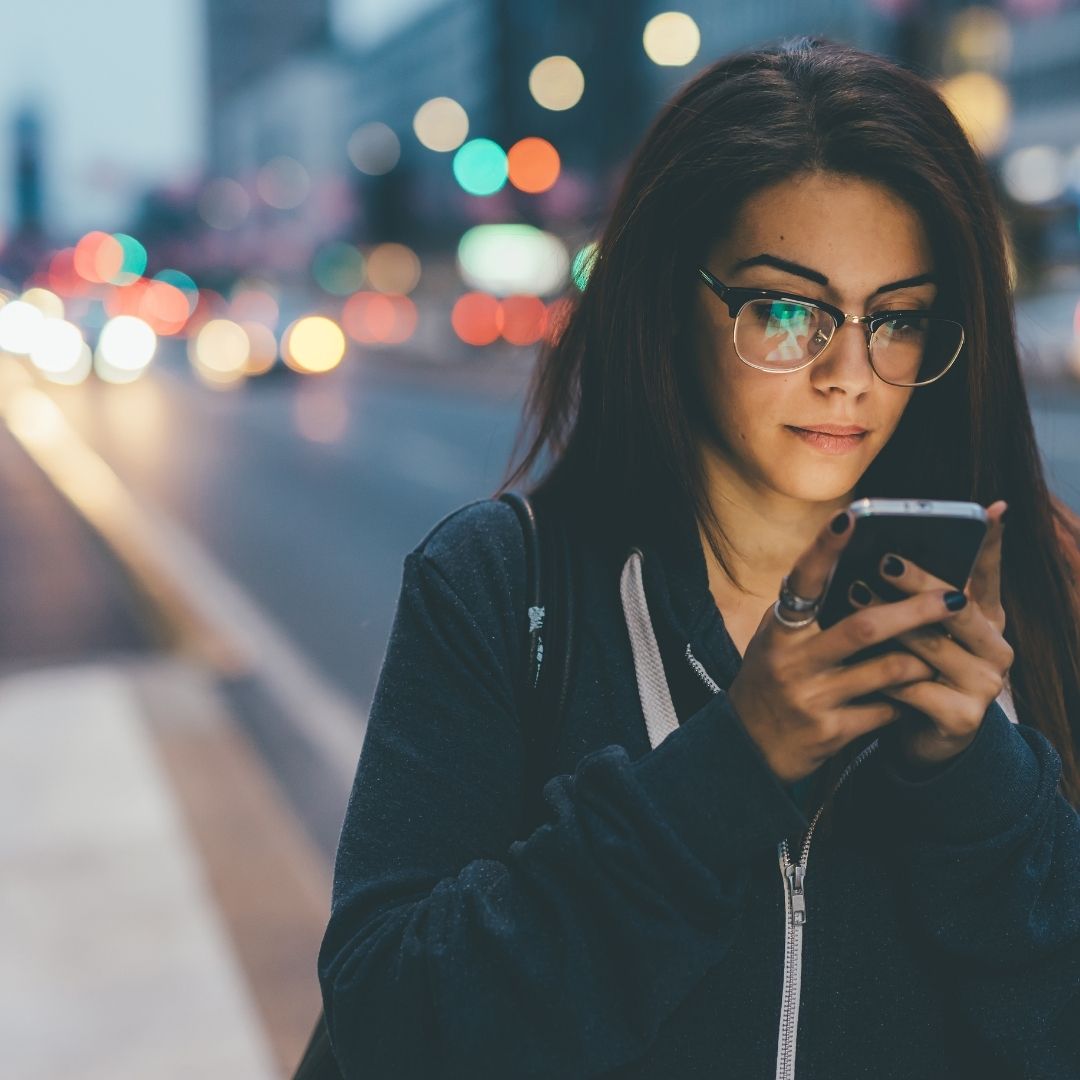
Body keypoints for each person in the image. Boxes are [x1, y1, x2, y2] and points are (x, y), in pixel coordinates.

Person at [317, 37, 1080, 1078]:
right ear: (671, 301)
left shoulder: (1037, 597)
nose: (848, 375)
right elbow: (391, 1022)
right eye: (785, 309)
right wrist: (734, 763)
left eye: (896, 319)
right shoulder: (504, 585)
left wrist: (980, 786)